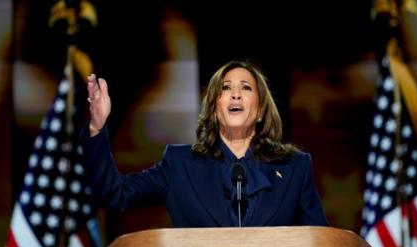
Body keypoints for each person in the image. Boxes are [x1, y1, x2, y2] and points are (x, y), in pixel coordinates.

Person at [82, 60, 328, 227]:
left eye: (246, 88)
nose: (236, 94)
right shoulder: (180, 165)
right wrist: (97, 128)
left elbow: (320, 244)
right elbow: (116, 195)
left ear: (261, 108)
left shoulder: (294, 167)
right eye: (225, 88)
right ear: (213, 108)